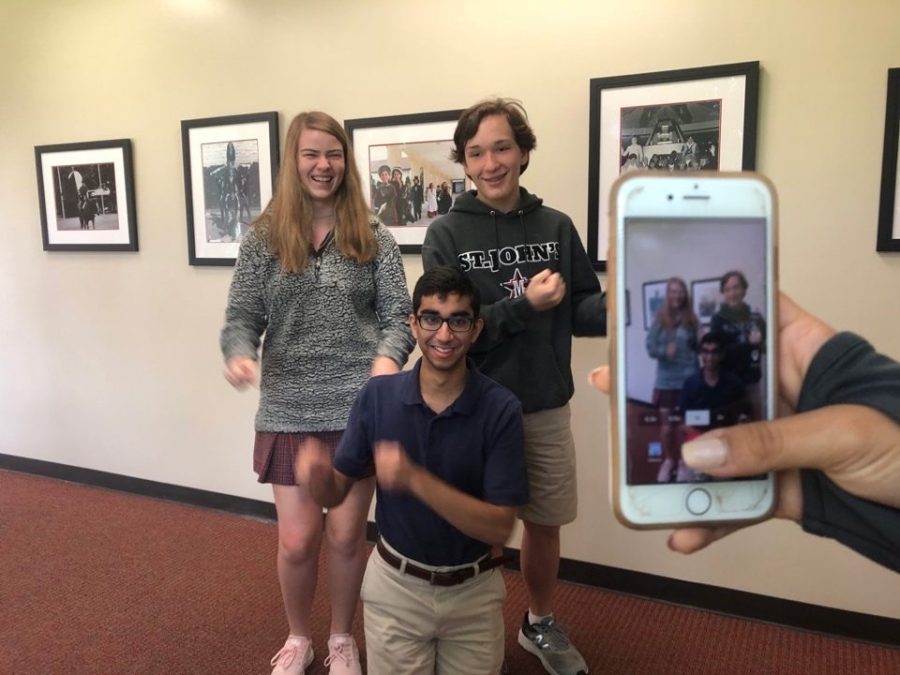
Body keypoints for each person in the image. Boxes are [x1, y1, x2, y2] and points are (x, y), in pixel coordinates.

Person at [220, 111, 415, 675]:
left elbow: (398, 317)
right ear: (293, 161)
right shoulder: (263, 238)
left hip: (358, 407)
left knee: (349, 535)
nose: (322, 165)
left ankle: (341, 639)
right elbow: (241, 316)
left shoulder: (372, 235)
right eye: (311, 154)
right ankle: (300, 637)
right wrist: (238, 352)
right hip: (288, 406)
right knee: (300, 541)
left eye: (332, 154)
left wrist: (387, 359)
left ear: (344, 162)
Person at [422, 98, 605, 675]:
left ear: (523, 152)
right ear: (465, 163)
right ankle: (464, 628)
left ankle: (539, 623)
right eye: (476, 153)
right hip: (471, 408)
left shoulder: (556, 227)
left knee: (543, 525)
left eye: (502, 148)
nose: (490, 162)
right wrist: (524, 306)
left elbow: (581, 311)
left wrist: (632, 300)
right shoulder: (447, 232)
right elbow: (447, 334)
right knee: (475, 527)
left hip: (544, 405)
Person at [295, 266, 528, 674]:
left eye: (457, 320)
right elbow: (335, 493)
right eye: (431, 318)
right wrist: (318, 480)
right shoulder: (377, 397)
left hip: (473, 593)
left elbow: (498, 529)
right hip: (396, 590)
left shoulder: (501, 408)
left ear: (476, 329)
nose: (443, 335)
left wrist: (414, 479)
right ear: (413, 324)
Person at [590, 293, 900, 573]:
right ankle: (675, 462)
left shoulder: (734, 385)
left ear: (718, 355)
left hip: (727, 449)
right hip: (694, 441)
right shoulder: (690, 384)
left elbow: (744, 422)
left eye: (714, 352)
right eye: (705, 352)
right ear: (700, 356)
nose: (709, 357)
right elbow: (680, 416)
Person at [645, 277, 699, 483]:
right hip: (666, 382)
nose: (677, 295)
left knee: (686, 426)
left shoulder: (691, 319)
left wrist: (700, 338)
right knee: (667, 428)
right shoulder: (660, 319)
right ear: (668, 294)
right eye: (673, 291)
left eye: (680, 292)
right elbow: (650, 346)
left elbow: (697, 347)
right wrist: (663, 351)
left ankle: (685, 462)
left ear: (685, 294)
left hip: (689, 381)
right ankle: (669, 461)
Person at [710, 270, 766, 385]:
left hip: (752, 382)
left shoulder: (756, 318)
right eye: (727, 289)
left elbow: (768, 349)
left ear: (744, 290)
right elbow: (717, 352)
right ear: (723, 293)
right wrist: (748, 343)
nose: (732, 293)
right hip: (726, 384)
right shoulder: (717, 320)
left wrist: (761, 343)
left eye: (736, 288)